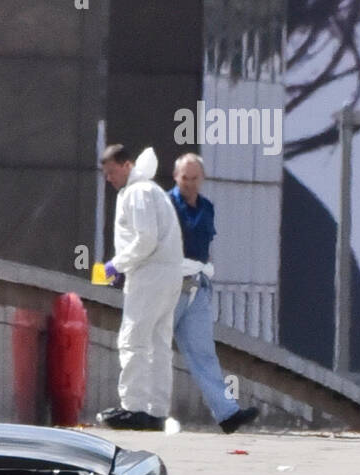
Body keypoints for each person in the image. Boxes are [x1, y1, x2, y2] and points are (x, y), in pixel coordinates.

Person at [96, 144, 184, 431]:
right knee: (159, 343)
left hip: (149, 275)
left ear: (127, 165)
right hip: (168, 273)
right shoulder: (152, 190)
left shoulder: (137, 192)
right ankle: (157, 411)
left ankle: (132, 406)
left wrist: (116, 265)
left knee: (133, 340)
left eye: (111, 172)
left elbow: (145, 239)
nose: (109, 179)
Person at [169, 153, 259, 434]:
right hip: (170, 285)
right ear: (176, 178)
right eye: (185, 178)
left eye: (194, 178)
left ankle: (227, 413)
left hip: (196, 285)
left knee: (203, 353)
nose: (189, 184)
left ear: (202, 179)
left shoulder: (207, 207)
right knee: (154, 348)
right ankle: (145, 411)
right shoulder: (166, 204)